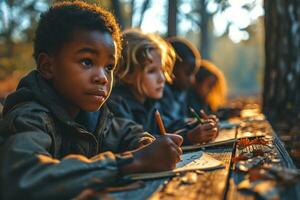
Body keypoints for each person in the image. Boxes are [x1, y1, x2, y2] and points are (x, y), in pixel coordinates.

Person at [0, 2, 183, 199]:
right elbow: (24, 178)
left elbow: (126, 131)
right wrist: (130, 162)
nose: (103, 77)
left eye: (109, 67)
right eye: (87, 62)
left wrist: (144, 144)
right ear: (47, 67)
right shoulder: (28, 117)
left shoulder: (94, 116)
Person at [108, 29, 217, 145]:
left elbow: (168, 126)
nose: (162, 78)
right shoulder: (117, 105)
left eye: (163, 70)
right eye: (152, 71)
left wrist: (196, 124)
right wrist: (188, 137)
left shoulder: (149, 103)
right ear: (126, 74)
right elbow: (138, 142)